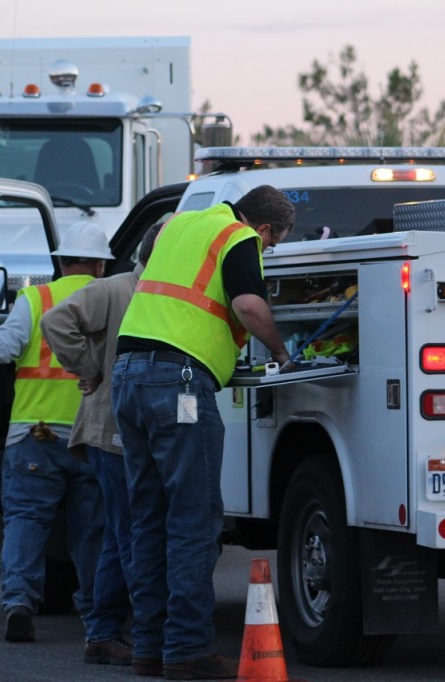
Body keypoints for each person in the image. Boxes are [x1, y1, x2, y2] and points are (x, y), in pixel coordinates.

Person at [111, 185, 294, 680]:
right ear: (265, 229)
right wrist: (281, 352)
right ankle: (188, 649)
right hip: (180, 385)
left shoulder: (178, 225)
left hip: (128, 376)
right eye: (272, 245)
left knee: (148, 517)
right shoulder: (238, 237)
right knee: (193, 519)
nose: (267, 252)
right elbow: (250, 307)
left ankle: (150, 647)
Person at [0, 221, 113, 643]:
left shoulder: (38, 298)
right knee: (93, 529)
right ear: (101, 267)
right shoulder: (115, 298)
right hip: (94, 436)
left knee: (27, 522)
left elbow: (1, 349)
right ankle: (98, 613)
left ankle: (19, 605)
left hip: (37, 434)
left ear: (61, 262)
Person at [40, 223, 163, 667]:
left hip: (123, 434)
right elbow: (54, 320)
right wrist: (90, 368)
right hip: (110, 434)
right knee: (131, 532)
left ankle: (103, 632)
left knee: (118, 533)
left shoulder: (150, 291)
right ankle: (137, 632)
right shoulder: (116, 289)